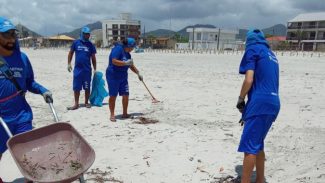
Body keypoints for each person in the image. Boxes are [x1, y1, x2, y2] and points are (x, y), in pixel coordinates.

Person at [0, 17, 52, 182]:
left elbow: (29, 82)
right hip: (1, 118)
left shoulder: (23, 59)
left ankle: (31, 179)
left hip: (22, 114)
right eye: (6, 34)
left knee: (27, 152)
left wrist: (43, 91)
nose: (11, 39)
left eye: (13, 34)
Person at [236, 29, 280, 183]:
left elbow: (249, 80)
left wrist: (241, 99)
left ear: (249, 41)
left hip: (259, 104)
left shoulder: (253, 50)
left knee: (249, 147)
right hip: (274, 103)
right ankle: (260, 179)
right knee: (258, 143)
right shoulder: (272, 55)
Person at [106, 38, 143, 122]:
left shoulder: (128, 54)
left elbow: (130, 65)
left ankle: (125, 113)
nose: (132, 49)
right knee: (113, 95)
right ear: (128, 46)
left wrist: (138, 73)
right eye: (132, 47)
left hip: (123, 76)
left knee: (126, 94)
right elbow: (114, 61)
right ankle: (112, 115)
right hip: (113, 75)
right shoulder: (118, 49)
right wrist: (125, 63)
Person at [67, 26, 96, 110]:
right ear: (82, 34)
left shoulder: (90, 45)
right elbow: (71, 53)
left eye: (88, 34)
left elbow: (93, 58)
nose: (88, 35)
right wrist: (69, 63)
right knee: (76, 87)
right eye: (86, 34)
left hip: (87, 70)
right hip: (77, 70)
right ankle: (76, 103)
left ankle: (86, 102)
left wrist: (95, 69)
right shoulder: (76, 42)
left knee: (87, 87)